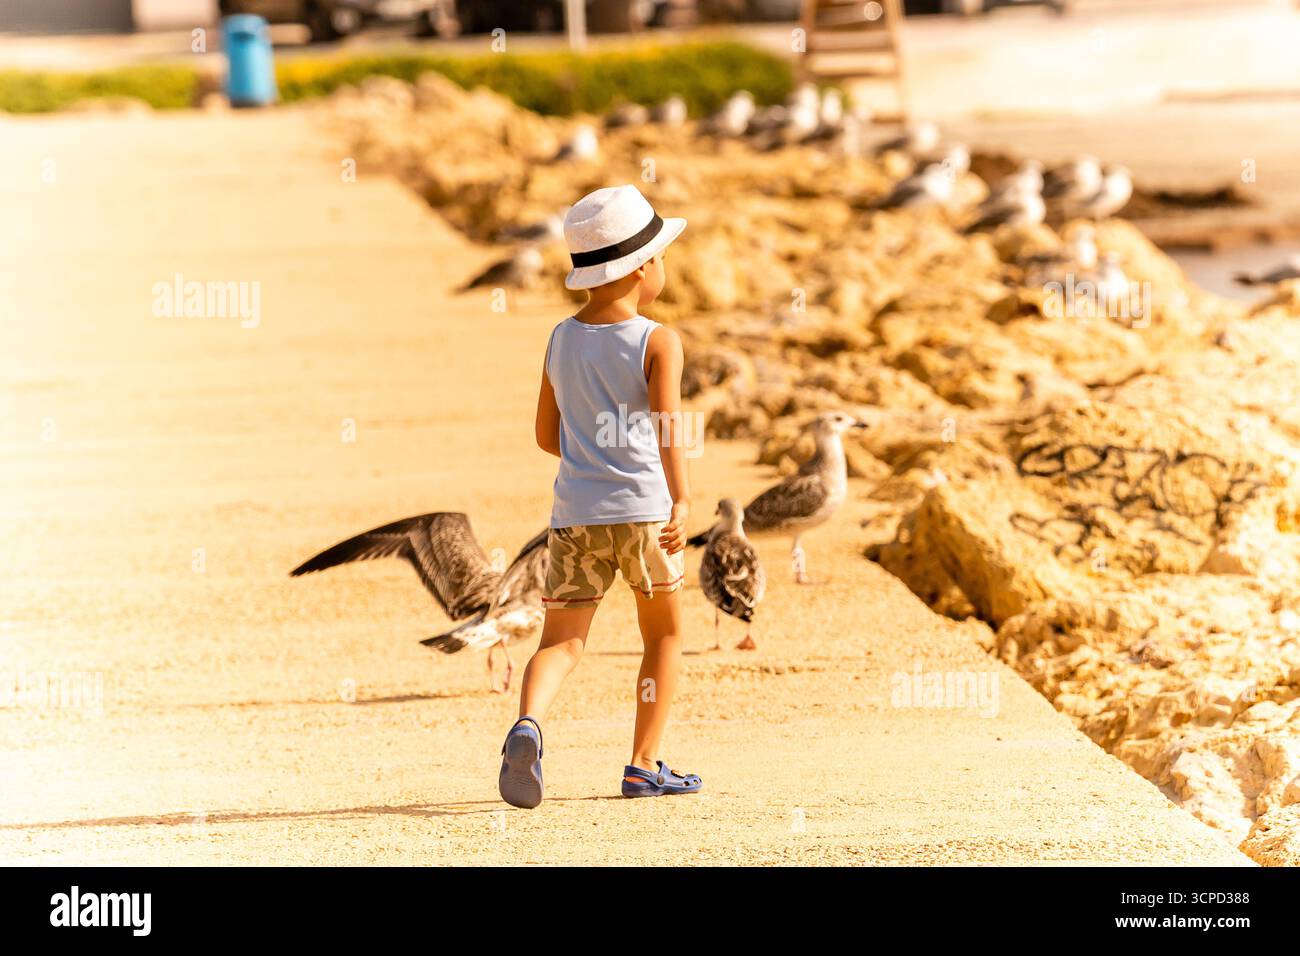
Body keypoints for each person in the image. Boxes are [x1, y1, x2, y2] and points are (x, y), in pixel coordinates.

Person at [498, 184, 702, 808]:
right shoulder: (657, 340)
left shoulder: (560, 338)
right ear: (643, 269)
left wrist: (592, 460)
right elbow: (668, 428)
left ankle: (527, 724)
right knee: (663, 635)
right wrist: (681, 500)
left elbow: (543, 435)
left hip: (574, 517)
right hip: (645, 513)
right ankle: (643, 765)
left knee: (561, 641)